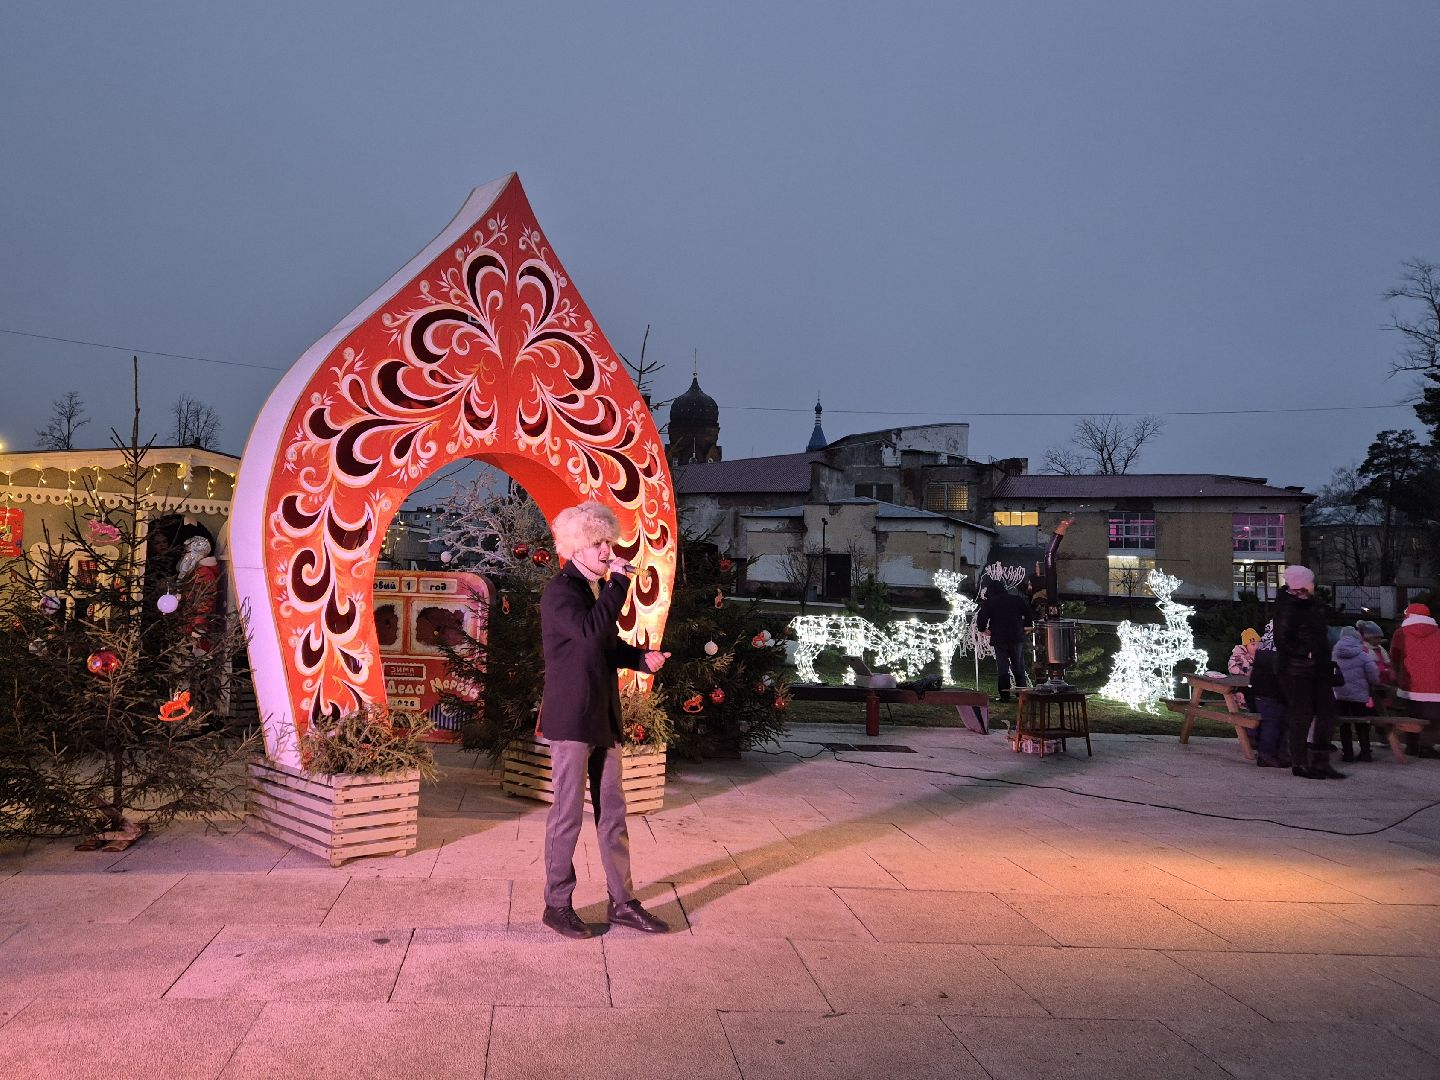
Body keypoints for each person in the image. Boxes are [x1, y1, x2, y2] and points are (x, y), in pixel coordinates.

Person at [538, 502, 670, 940]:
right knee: (567, 815)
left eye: (608, 541)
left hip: (601, 716)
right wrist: (618, 583)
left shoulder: (593, 592)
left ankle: (623, 902)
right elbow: (592, 632)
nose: (608, 551)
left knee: (612, 813)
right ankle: (557, 905)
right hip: (572, 719)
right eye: (598, 543)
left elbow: (606, 645)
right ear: (576, 547)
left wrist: (641, 659)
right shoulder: (561, 592)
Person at [1272, 564, 1344, 780]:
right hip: (1297, 671)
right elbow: (1282, 640)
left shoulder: (1314, 607)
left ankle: (1321, 762)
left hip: (1319, 669)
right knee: (1301, 716)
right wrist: (1306, 653)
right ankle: (1300, 763)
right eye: (1310, 582)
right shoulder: (1287, 608)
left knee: (1326, 714)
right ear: (1301, 585)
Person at [1391, 602, 1440, 758]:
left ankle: (1412, 746)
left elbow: (1394, 656)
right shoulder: (1438, 633)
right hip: (1436, 685)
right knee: (1434, 718)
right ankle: (1426, 746)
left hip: (1410, 685)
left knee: (1411, 715)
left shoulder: (1401, 633)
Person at [976, 584, 1034, 702]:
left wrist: (983, 629)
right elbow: (1028, 612)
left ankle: (1004, 695)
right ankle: (1021, 694)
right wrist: (1027, 625)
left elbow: (982, 617)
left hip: (999, 637)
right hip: (1016, 636)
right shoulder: (1016, 600)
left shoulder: (991, 602)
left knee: (1003, 667)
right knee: (1018, 665)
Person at [1331, 627, 1379, 762]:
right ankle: (1365, 752)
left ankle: (1347, 753)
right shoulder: (1363, 654)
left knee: (1344, 724)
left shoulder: (1334, 654)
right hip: (1359, 696)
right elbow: (1373, 674)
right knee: (1362, 724)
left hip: (1340, 694)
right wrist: (1373, 683)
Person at [1249, 621, 1289, 768]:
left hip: (1262, 690)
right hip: (1273, 691)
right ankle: (1266, 755)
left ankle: (1276, 753)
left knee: (1273, 722)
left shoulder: (1264, 644)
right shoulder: (1279, 648)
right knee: (1272, 723)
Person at [1228, 627, 1260, 710]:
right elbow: (1232, 667)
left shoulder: (1259, 656)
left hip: (1255, 686)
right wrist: (1246, 671)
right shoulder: (1239, 655)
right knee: (1249, 694)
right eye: (1253, 644)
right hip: (1242, 687)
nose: (1256, 647)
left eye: (1258, 644)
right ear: (1246, 645)